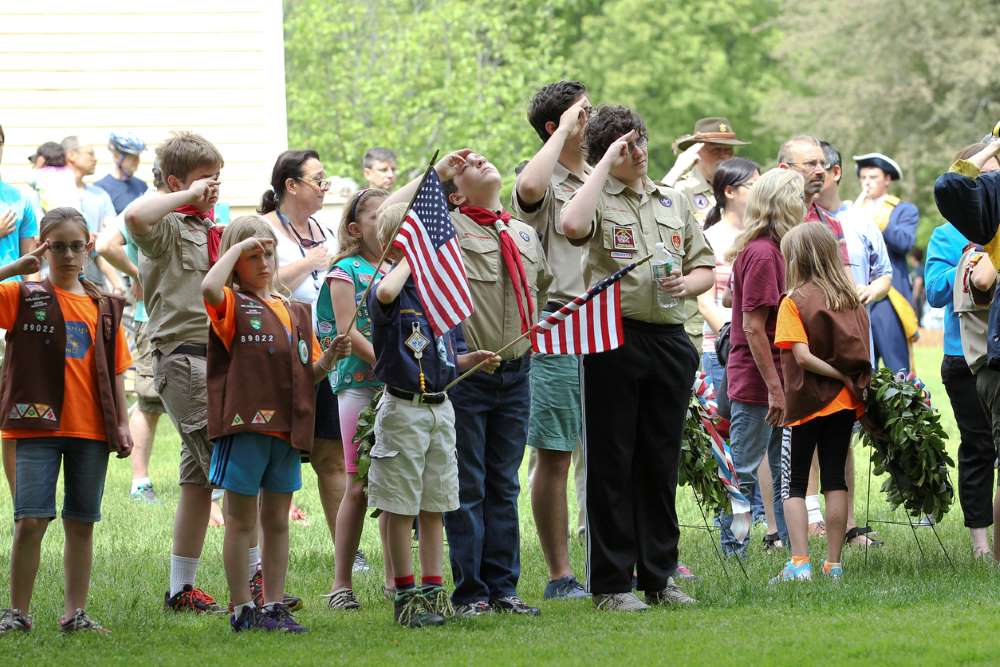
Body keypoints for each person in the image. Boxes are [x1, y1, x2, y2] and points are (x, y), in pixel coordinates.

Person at [383, 148, 551, 617]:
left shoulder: (522, 232)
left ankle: (504, 588)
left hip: (517, 373)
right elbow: (391, 218)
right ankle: (471, 593)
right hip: (468, 375)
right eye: (469, 165)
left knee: (505, 483)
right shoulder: (444, 229)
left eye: (481, 159)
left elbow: (542, 288)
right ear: (454, 195)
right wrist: (438, 174)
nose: (479, 161)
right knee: (468, 486)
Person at [561, 106, 714, 611]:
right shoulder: (597, 197)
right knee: (611, 461)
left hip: (670, 337)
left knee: (659, 459)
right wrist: (603, 163)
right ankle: (610, 585)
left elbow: (704, 269)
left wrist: (686, 283)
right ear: (609, 152)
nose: (641, 152)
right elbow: (571, 223)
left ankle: (660, 576)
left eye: (642, 141)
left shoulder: (671, 201)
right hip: (613, 337)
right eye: (628, 146)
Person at [201, 216, 350, 633]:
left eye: (268, 252)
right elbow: (209, 288)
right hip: (246, 427)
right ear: (234, 261)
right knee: (241, 519)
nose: (263, 262)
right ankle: (242, 607)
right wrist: (234, 249)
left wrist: (329, 359)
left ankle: (274, 603)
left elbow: (311, 373)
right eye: (252, 256)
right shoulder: (230, 305)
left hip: (288, 431)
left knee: (278, 520)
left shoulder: (296, 310)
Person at [367, 202, 502, 627]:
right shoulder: (390, 290)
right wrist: (410, 256)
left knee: (435, 505)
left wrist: (469, 360)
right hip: (404, 410)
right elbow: (385, 295)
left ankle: (432, 591)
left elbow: (446, 356)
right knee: (401, 504)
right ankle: (405, 596)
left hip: (440, 409)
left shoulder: (437, 295)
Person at [0, 208, 133, 635]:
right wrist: (17, 268)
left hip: (90, 429)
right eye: (58, 247)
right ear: (44, 247)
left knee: (81, 523)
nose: (69, 255)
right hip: (35, 428)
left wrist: (123, 423)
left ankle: (75, 612)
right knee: (31, 520)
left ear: (89, 245)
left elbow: (115, 369)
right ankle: (16, 612)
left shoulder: (105, 306)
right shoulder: (23, 295)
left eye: (76, 246)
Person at [125, 131, 228, 613]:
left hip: (218, 358)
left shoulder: (213, 230)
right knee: (229, 464)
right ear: (175, 183)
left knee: (197, 482)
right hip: (182, 358)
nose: (214, 188)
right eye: (206, 180)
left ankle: (180, 589)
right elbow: (133, 217)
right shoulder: (167, 227)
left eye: (217, 179)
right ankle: (257, 581)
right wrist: (185, 197)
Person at [511, 79, 591, 600]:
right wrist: (563, 131)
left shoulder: (598, 172)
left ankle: (616, 556)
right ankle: (560, 574)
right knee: (555, 454)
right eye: (582, 114)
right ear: (554, 124)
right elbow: (530, 192)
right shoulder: (541, 174)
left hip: (610, 325)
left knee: (607, 449)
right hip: (558, 323)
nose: (591, 120)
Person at [771, 223, 871, 583]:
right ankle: (834, 563)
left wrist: (835, 375)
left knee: (794, 483)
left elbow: (801, 356)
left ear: (795, 258)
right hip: (844, 405)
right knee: (835, 480)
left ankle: (799, 563)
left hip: (806, 403)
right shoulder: (850, 299)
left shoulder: (793, 300)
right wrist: (846, 379)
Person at [258, 150, 344, 536]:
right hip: (278, 354)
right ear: (291, 186)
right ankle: (262, 553)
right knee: (275, 454)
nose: (324, 187)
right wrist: (310, 262)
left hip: (326, 350)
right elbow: (262, 285)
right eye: (318, 180)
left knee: (332, 456)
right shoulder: (263, 229)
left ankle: (348, 549)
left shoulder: (325, 231)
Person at [721, 168, 804, 557]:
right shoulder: (762, 254)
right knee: (744, 468)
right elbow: (753, 328)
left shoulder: (776, 249)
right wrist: (774, 388)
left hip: (777, 377)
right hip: (758, 380)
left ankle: (792, 546)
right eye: (798, 198)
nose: (804, 206)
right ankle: (733, 548)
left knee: (784, 468)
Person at [320, 186, 395, 609]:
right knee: (359, 484)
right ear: (354, 228)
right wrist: (388, 364)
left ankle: (393, 578)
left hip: (399, 387)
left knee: (394, 486)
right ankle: (341, 585)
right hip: (361, 386)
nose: (385, 224)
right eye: (374, 217)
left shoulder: (401, 268)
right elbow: (348, 328)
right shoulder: (345, 271)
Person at [927, 142, 1000, 557]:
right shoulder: (946, 234)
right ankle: (980, 544)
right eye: (985, 177)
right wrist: (971, 264)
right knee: (979, 447)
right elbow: (936, 291)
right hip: (965, 359)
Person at [817, 140, 891, 548]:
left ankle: (847, 525)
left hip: (853, 340)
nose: (812, 176)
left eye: (818, 167)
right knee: (805, 433)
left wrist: (870, 291)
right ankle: (808, 520)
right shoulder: (799, 221)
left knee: (843, 432)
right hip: (808, 341)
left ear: (836, 172)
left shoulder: (862, 221)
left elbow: (885, 274)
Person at [698, 158, 769, 533]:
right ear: (730, 191)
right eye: (753, 184)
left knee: (758, 435)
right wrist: (733, 336)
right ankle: (729, 516)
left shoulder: (759, 238)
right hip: (722, 350)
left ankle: (758, 514)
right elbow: (706, 300)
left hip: (749, 345)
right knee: (728, 438)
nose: (760, 190)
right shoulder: (710, 239)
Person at [96, 159, 171, 504]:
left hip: (181, 318)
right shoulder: (142, 206)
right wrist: (136, 274)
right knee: (150, 399)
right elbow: (105, 245)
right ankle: (140, 481)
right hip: (151, 317)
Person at [849, 152, 919, 373]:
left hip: (890, 297)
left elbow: (905, 242)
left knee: (897, 369)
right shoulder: (852, 210)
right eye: (863, 177)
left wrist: (876, 221)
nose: (867, 182)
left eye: (873, 176)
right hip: (856, 293)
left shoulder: (902, 210)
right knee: (862, 367)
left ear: (887, 179)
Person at [61, 136, 123, 292]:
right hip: (57, 281)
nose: (95, 159)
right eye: (90, 154)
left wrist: (117, 284)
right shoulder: (49, 193)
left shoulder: (100, 195)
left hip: (94, 283)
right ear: (71, 155)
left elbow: (110, 237)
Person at [94, 132, 148, 214]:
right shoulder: (100, 188)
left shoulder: (142, 185)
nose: (137, 161)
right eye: (132, 157)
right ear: (116, 157)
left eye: (138, 157)